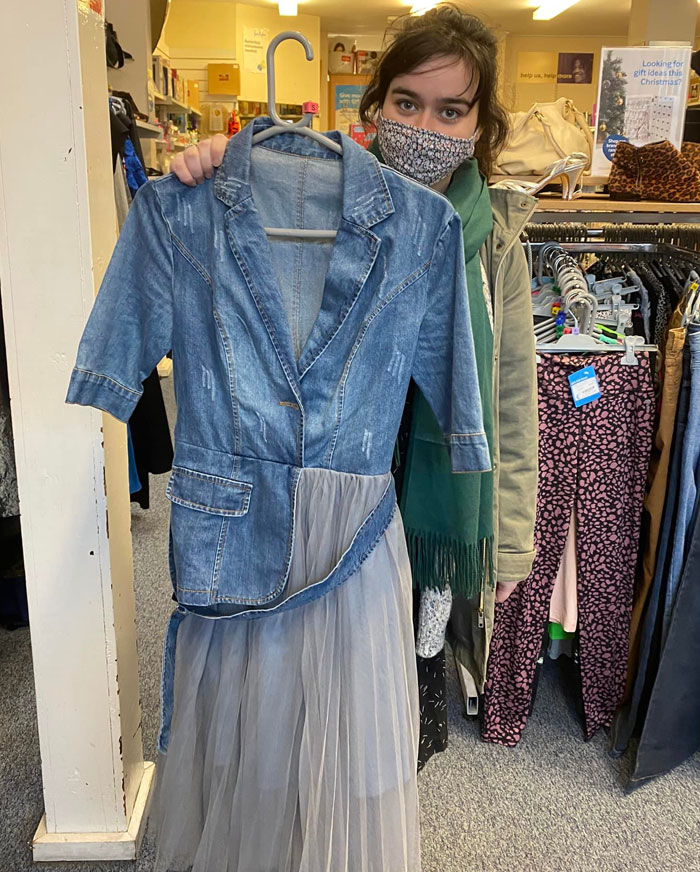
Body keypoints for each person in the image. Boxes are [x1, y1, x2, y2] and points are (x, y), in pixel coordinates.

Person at [171, 2, 537, 779]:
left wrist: (508, 541)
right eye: (407, 102)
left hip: (426, 508)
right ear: (376, 105)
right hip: (322, 499)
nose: (424, 127)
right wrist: (221, 163)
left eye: (450, 110)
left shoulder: (492, 240)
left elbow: (508, 403)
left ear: (481, 126)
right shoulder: (314, 196)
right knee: (299, 698)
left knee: (387, 717)